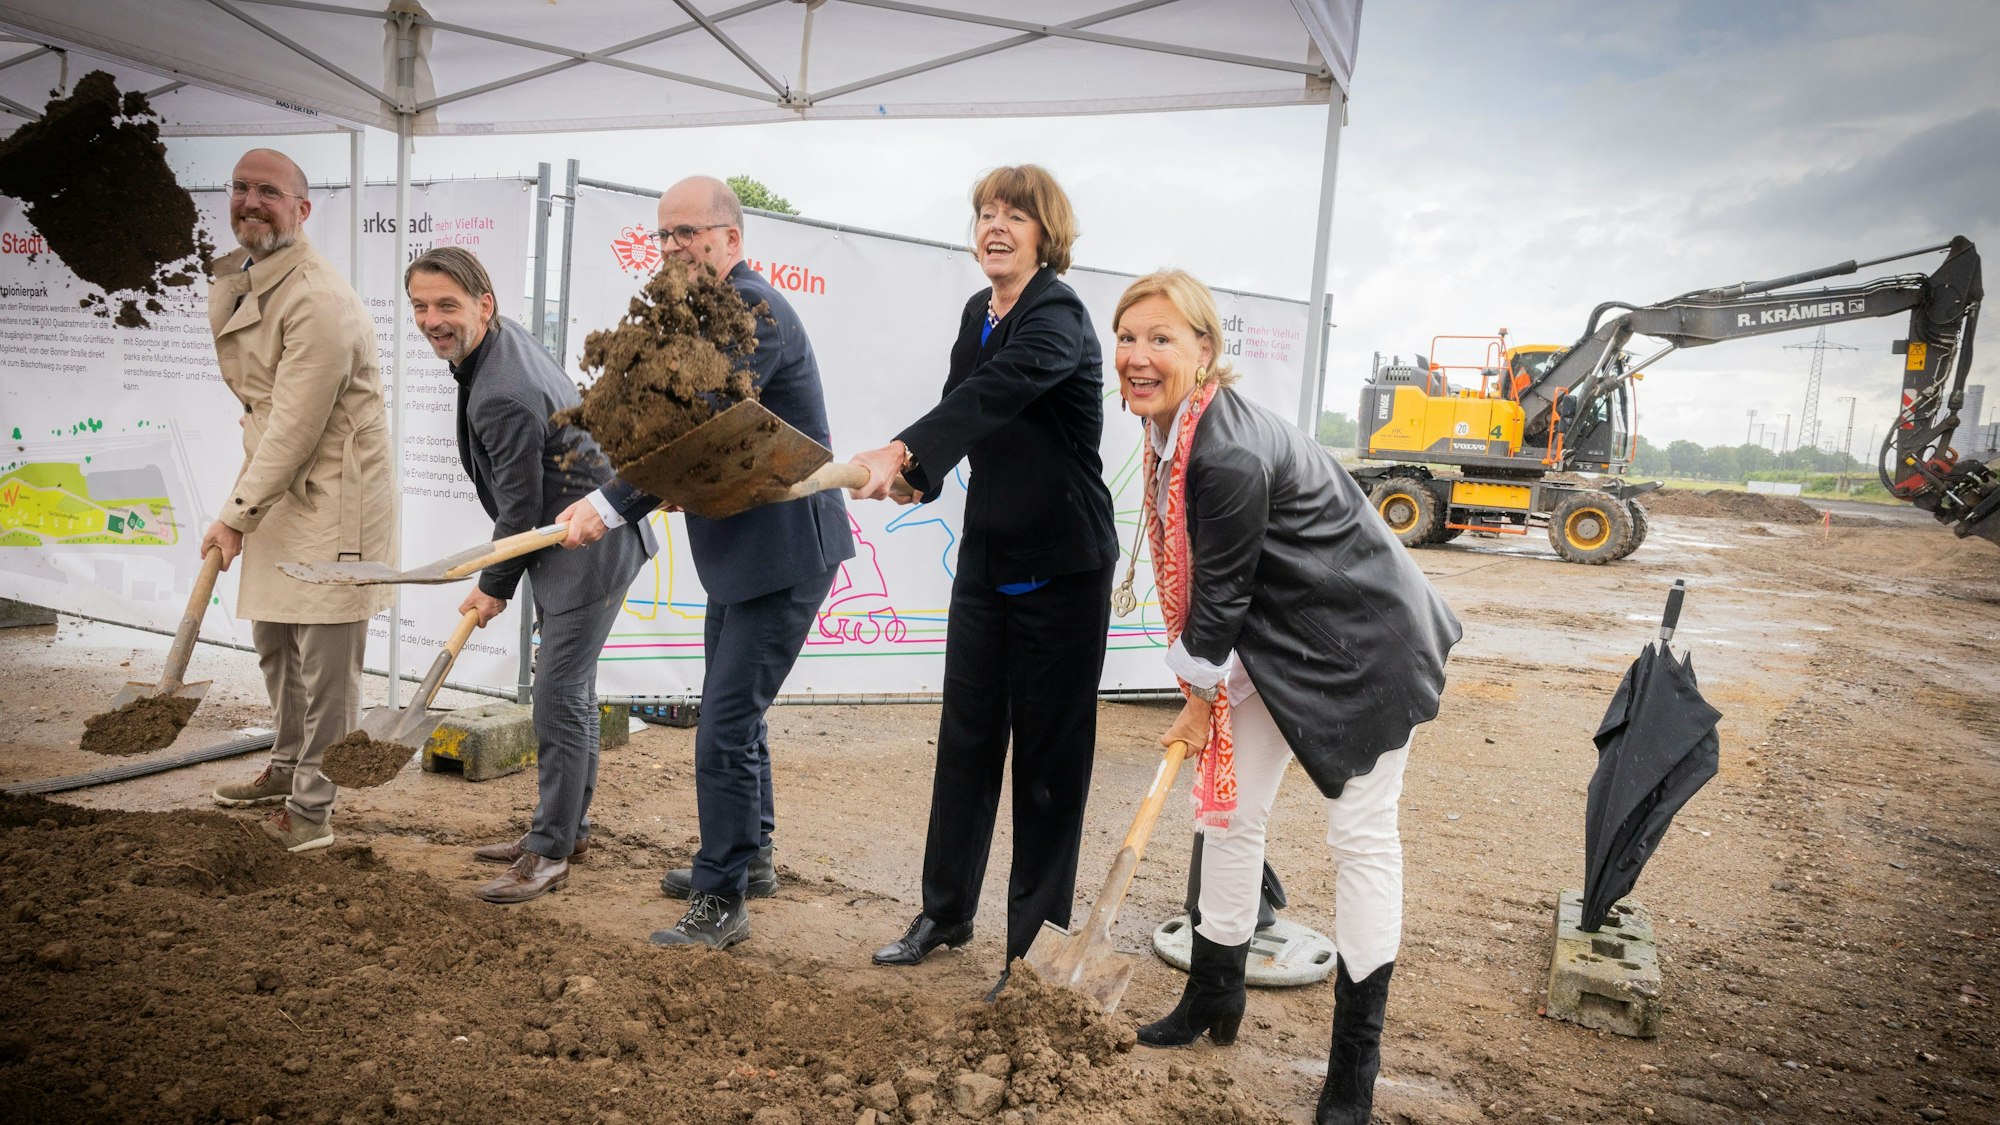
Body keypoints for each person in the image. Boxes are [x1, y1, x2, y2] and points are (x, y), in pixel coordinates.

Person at [1108, 270, 1460, 1124]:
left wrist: (1197, 694)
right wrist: (1208, 682)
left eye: (1162, 338)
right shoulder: (1170, 439)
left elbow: (1218, 597)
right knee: (1226, 813)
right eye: (1126, 337)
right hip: (1276, 643)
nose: (1139, 356)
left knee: (1361, 838)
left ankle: (1352, 1076)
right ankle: (1215, 995)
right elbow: (1223, 601)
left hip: (1363, 648)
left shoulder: (1223, 449)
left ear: (1205, 352)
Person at [557, 175, 855, 948]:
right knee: (737, 716)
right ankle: (748, 857)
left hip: (786, 551)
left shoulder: (754, 311)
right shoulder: (690, 317)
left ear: (732, 239)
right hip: (739, 547)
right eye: (663, 235)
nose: (673, 247)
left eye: (689, 232)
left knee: (721, 724)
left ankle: (721, 896)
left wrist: (608, 504)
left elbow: (696, 428)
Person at [848, 165, 1117, 999]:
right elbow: (962, 402)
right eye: (984, 213)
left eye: (1014, 215)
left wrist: (905, 447)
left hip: (1063, 569)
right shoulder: (980, 312)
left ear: (1046, 232)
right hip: (988, 562)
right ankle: (946, 911)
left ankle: (1030, 957)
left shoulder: (1058, 316)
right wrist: (916, 475)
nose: (994, 226)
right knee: (965, 745)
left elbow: (1000, 392)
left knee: (1046, 768)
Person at [404, 246, 655, 904]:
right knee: (569, 692)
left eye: (447, 306)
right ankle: (566, 830)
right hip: (569, 533)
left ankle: (547, 851)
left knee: (558, 697)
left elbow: (517, 508)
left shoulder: (502, 393)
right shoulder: (498, 343)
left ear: (485, 306)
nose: (433, 319)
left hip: (586, 547)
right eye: (421, 306)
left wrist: (491, 587)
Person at [204, 148, 396, 853]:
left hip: (333, 497)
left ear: (302, 209)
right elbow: (265, 414)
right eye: (240, 188)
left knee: (327, 661)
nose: (250, 202)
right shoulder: (248, 277)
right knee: (275, 640)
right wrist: (245, 506)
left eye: (269, 192)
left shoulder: (318, 300)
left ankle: (314, 808)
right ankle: (285, 767)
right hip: (280, 482)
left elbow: (295, 424)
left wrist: (234, 514)